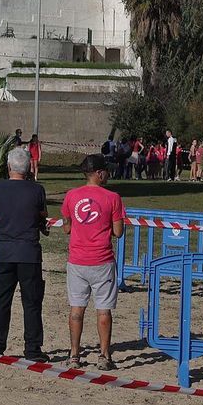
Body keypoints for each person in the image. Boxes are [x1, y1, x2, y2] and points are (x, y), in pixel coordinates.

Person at [61, 154, 126, 370]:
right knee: (103, 310)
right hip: (102, 260)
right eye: (106, 170)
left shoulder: (71, 195)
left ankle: (74, 355)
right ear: (99, 173)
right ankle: (104, 356)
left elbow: (67, 227)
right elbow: (118, 232)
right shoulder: (113, 198)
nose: (108, 173)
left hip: (77, 260)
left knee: (76, 310)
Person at [0, 146, 49, 361]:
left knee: (1, 299)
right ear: (28, 169)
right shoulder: (37, 190)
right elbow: (42, 215)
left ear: (8, 167)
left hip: (4, 251)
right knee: (31, 302)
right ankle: (32, 349)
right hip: (28, 252)